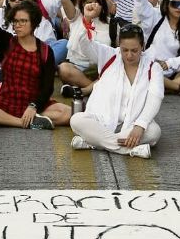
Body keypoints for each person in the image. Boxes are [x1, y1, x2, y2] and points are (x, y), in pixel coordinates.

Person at [0, 0, 71, 130]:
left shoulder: (45, 51)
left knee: (68, 113)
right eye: (16, 21)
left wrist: (34, 106)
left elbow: (48, 87)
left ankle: (21, 117)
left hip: (34, 103)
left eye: (23, 21)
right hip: (6, 101)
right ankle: (22, 122)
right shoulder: (6, 42)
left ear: (34, 23)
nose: (18, 25)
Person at [69, 22, 163, 159]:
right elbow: (85, 45)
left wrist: (140, 125)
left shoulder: (153, 68)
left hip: (132, 125)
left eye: (134, 50)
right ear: (119, 45)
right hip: (101, 121)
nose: (129, 55)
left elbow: (155, 98)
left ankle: (92, 142)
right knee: (76, 120)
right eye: (125, 50)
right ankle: (130, 150)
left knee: (154, 132)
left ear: (142, 46)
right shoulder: (109, 56)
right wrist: (87, 20)